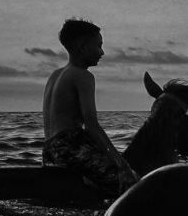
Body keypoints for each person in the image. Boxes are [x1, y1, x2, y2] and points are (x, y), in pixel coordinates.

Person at [41, 18, 138, 196]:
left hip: (49, 151)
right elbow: (91, 124)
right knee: (133, 184)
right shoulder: (83, 76)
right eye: (98, 45)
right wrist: (122, 165)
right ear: (83, 47)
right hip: (71, 148)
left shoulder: (54, 75)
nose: (102, 52)